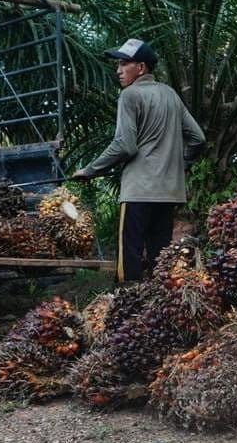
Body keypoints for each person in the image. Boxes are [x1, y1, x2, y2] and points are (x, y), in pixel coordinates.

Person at [72, 39, 206, 283]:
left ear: (141, 67)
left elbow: (125, 145)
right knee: (160, 258)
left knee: (130, 259)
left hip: (138, 192)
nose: (118, 70)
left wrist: (90, 170)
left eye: (124, 64)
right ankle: (156, 308)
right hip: (168, 193)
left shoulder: (130, 95)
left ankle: (127, 306)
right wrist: (181, 165)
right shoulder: (171, 95)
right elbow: (198, 138)